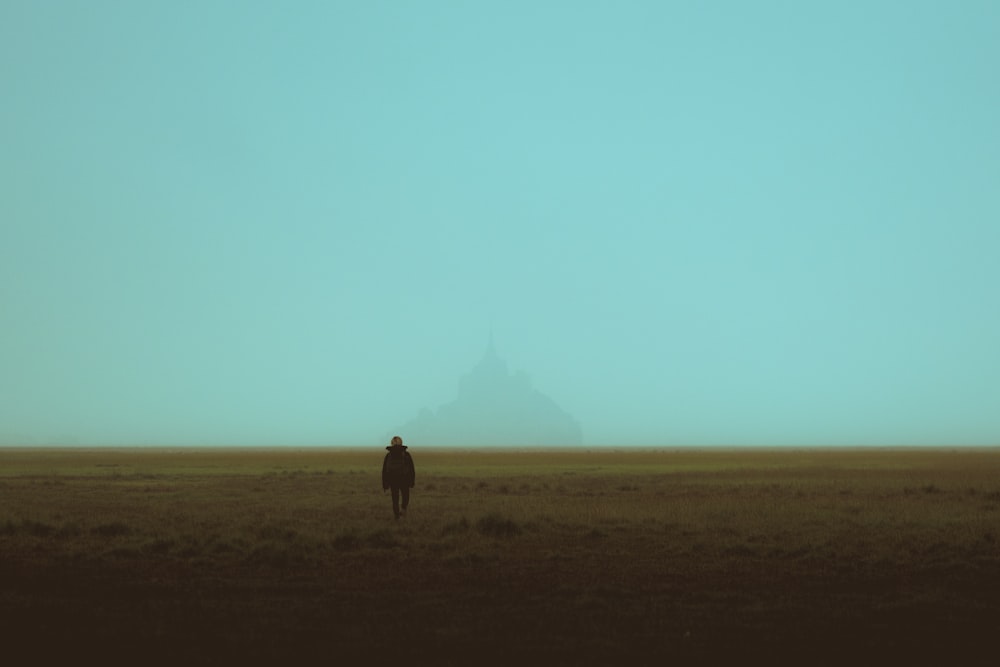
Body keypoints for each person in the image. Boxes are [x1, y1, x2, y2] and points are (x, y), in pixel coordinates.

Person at [382, 435, 415, 519]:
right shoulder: (406, 454)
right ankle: (403, 509)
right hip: (404, 479)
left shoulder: (388, 456)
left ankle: (396, 516)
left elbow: (385, 471)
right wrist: (411, 481)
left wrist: (385, 484)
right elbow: (411, 469)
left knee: (395, 498)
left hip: (393, 480)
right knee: (405, 496)